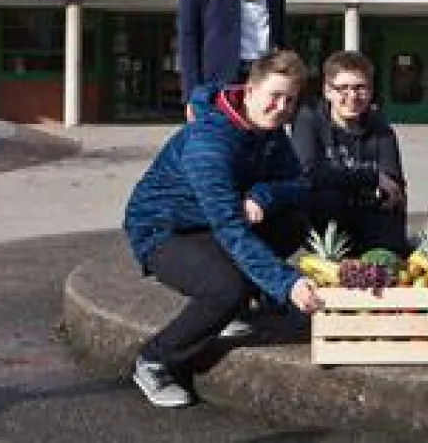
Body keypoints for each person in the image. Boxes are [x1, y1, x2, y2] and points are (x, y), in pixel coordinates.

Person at [123, 49, 323, 409]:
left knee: (293, 221)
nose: (281, 107)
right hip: (164, 229)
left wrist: (264, 194)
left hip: (213, 220)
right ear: (249, 91)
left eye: (290, 100)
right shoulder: (209, 143)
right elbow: (230, 228)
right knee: (225, 289)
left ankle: (235, 310)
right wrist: (286, 284)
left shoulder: (271, 132)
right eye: (274, 96)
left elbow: (299, 183)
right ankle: (155, 360)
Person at [290, 50, 409, 256]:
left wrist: (387, 187)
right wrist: (370, 177)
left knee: (392, 209)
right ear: (328, 91)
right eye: (343, 88)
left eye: (360, 88)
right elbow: (309, 173)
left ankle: (387, 263)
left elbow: (392, 182)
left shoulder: (381, 129)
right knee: (327, 198)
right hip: (325, 227)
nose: (352, 96)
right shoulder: (309, 121)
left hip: (368, 218)